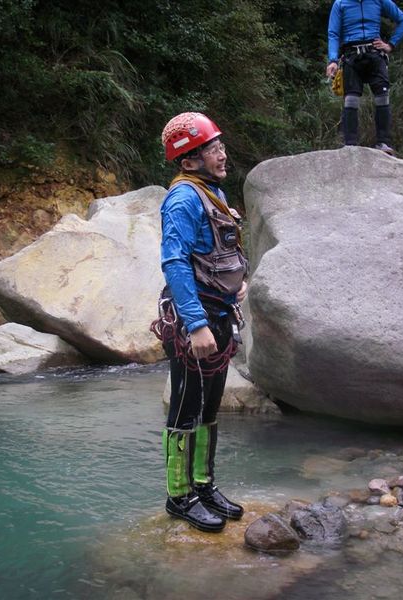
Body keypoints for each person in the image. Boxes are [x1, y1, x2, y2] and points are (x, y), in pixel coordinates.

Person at [151, 112, 248, 532]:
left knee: (210, 407)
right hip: (196, 321)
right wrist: (195, 324)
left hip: (219, 313)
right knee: (185, 409)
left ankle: (204, 485)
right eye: (212, 147)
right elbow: (174, 261)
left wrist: (234, 288)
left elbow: (213, 253)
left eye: (220, 144)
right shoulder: (183, 199)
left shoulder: (212, 192)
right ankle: (178, 496)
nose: (221, 152)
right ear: (189, 161)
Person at [326, 0, 403, 154]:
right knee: (351, 99)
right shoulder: (340, 3)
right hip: (351, 56)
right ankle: (350, 145)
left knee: (382, 96)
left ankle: (383, 143)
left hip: (375, 55)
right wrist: (332, 60)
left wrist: (391, 44)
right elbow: (333, 33)